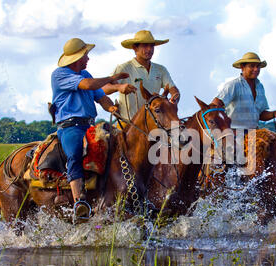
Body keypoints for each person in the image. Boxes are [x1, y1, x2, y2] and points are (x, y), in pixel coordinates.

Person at [51, 37, 129, 218]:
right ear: (77, 58)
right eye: (85, 55)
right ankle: (79, 201)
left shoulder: (86, 74)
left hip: (89, 126)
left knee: (120, 146)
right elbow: (88, 86)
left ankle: (114, 190)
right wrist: (112, 79)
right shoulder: (59, 74)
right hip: (71, 127)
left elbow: (101, 97)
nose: (88, 58)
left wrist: (111, 108)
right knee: (75, 152)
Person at [103, 30, 180, 120]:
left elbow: (173, 89)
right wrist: (118, 87)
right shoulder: (124, 68)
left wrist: (174, 99)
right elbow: (104, 88)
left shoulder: (161, 69)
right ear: (135, 48)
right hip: (128, 124)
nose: (149, 49)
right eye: (145, 46)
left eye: (152, 46)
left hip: (154, 125)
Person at [211, 52, 276, 130]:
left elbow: (260, 114)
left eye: (258, 66)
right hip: (233, 133)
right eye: (252, 66)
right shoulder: (233, 85)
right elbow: (215, 104)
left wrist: (274, 114)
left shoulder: (260, 87)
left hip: (252, 134)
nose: (256, 69)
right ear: (242, 67)